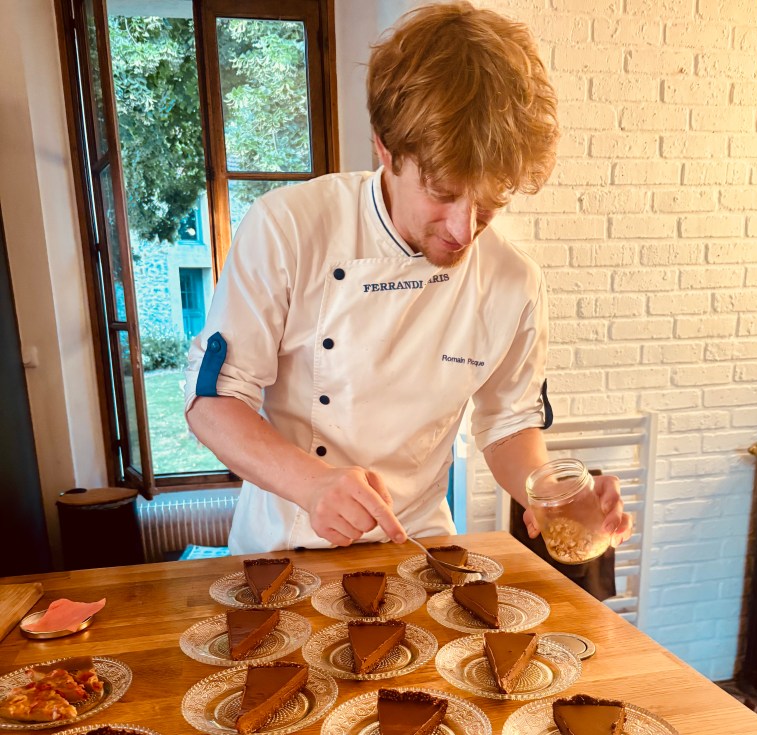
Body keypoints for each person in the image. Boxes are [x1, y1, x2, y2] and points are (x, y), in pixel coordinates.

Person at [185, 1, 632, 554]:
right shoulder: (290, 228)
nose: (464, 230)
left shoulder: (513, 282)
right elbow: (213, 402)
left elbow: (509, 426)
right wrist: (311, 483)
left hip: (418, 550)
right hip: (281, 548)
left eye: (489, 202)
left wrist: (555, 499)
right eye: (443, 193)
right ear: (385, 146)